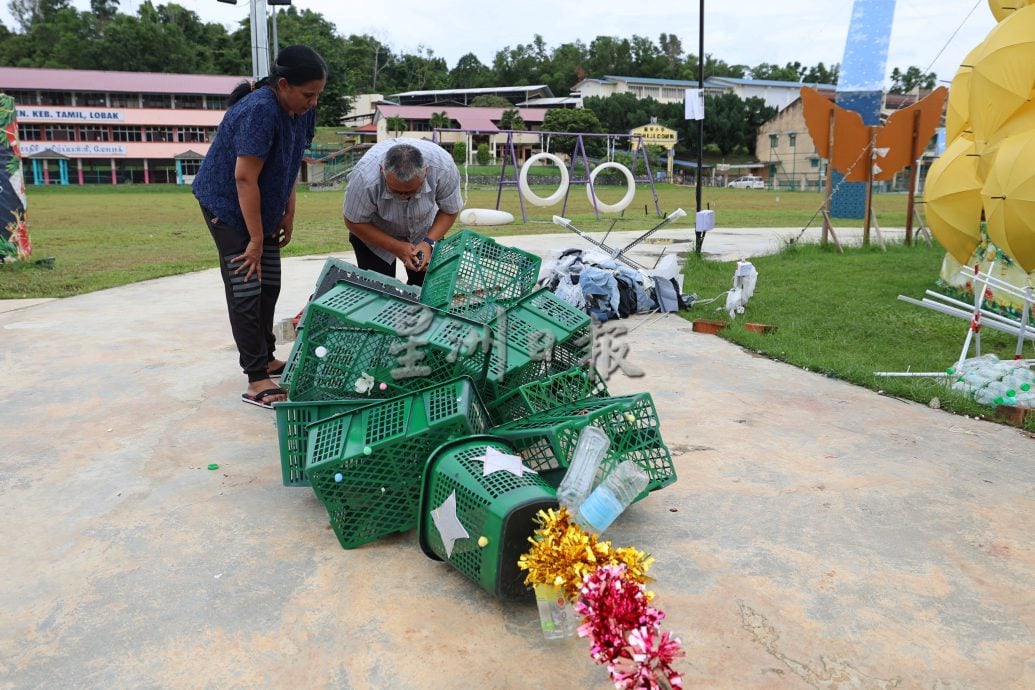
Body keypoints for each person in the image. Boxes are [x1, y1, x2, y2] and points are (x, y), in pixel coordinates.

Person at [192, 45, 327, 409]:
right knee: (246, 287)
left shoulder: (302, 111)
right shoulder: (259, 111)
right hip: (228, 205)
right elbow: (243, 179)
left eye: (318, 94)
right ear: (283, 84)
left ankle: (266, 356)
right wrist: (254, 237)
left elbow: (292, 161)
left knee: (270, 282)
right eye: (307, 94)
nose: (313, 102)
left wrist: (289, 210)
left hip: (263, 206)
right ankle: (256, 378)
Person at [342, 138, 463, 286]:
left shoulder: (444, 168)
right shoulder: (364, 177)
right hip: (376, 234)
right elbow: (353, 221)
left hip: (424, 229)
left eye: (411, 192)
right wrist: (396, 247)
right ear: (382, 171)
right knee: (378, 290)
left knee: (426, 290)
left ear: (426, 172)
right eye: (396, 192)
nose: (403, 197)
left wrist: (428, 242)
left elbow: (449, 210)